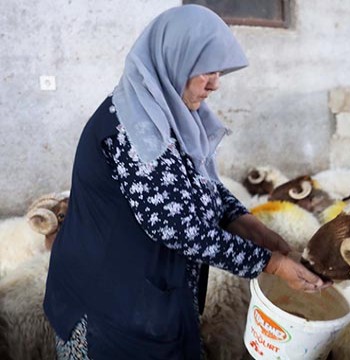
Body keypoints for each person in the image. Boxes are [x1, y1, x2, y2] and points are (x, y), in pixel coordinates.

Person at [43, 5, 329, 359]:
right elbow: (180, 228)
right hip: (110, 308)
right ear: (172, 61)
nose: (215, 83)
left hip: (149, 300)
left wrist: (244, 220)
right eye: (206, 71)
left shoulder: (169, 113)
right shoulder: (134, 130)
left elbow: (193, 182)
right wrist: (272, 264)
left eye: (219, 71)